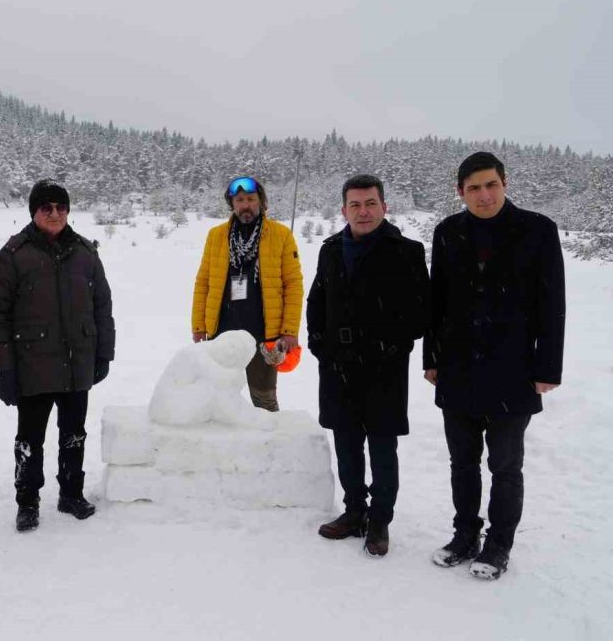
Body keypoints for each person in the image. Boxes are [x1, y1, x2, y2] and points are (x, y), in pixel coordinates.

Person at [424, 152, 565, 580]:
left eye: (491, 185)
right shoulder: (448, 232)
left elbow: (552, 305)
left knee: (505, 464)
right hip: (459, 368)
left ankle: (498, 545)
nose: (484, 195)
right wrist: (432, 358)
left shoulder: (538, 231)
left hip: (513, 369)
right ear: (460, 192)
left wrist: (548, 368)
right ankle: (465, 535)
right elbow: (437, 302)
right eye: (473, 188)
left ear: (504, 183)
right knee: (462, 462)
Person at [306, 174, 430, 557]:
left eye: (370, 203)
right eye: (355, 205)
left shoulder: (406, 251)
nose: (363, 211)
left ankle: (379, 522)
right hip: (338, 367)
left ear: (384, 206)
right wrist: (320, 346)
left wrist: (385, 345)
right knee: (345, 444)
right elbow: (317, 302)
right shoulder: (330, 249)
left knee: (381, 447)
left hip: (384, 369)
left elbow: (421, 314)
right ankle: (354, 511)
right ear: (343, 209)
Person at [0, 179, 115, 532]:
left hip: (77, 363)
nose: (55, 213)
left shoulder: (86, 253)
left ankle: (71, 493)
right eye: (47, 208)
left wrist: (104, 353)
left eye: (60, 207)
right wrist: (5, 370)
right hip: (32, 366)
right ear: (34, 212)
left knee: (74, 434)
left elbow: (102, 307)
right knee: (30, 439)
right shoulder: (14, 255)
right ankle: (27, 501)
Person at [192, 176, 303, 411]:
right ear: (232, 204)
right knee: (216, 398)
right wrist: (199, 326)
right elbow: (203, 282)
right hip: (221, 332)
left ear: (261, 202)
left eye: (251, 199)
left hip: (264, 336)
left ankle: (268, 446)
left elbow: (293, 284)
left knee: (264, 400)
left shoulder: (281, 235)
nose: (245, 205)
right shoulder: (216, 236)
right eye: (239, 200)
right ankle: (220, 447)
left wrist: (289, 330)